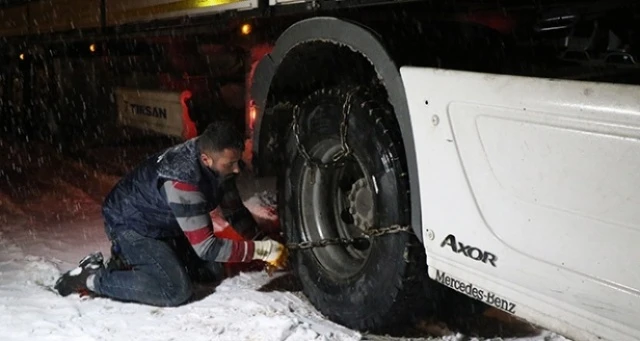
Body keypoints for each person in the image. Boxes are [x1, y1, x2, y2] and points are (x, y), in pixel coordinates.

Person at [53, 120, 288, 306]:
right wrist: (262, 251)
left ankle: (135, 262)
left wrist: (262, 241)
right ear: (206, 159)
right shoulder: (183, 181)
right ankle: (93, 277)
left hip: (162, 222)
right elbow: (206, 246)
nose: (237, 169)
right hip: (130, 223)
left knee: (210, 271)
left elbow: (234, 210)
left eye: (238, 161)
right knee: (175, 289)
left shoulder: (216, 161)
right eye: (231, 164)